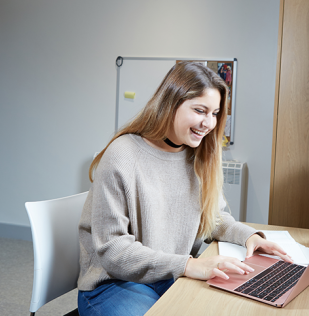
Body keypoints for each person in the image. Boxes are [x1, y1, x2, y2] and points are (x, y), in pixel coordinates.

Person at [77, 62, 291, 316]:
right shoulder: (123, 154)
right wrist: (189, 265)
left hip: (170, 274)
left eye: (215, 113)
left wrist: (250, 236)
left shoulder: (198, 157)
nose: (209, 123)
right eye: (200, 110)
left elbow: (213, 218)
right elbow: (113, 251)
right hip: (114, 283)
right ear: (170, 103)